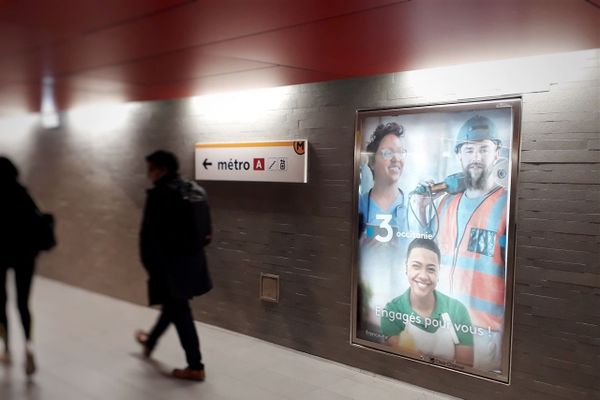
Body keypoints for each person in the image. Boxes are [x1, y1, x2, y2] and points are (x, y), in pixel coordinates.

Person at [416, 115, 507, 371]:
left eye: (483, 148)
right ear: (459, 156)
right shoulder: (446, 203)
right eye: (469, 149)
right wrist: (423, 208)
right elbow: (427, 255)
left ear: (496, 152)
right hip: (443, 323)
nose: (476, 156)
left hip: (483, 330)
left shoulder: (506, 206)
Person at [136, 150, 213, 381]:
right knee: (174, 306)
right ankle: (150, 341)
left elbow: (147, 237)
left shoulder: (160, 195)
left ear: (162, 170)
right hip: (193, 263)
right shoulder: (194, 191)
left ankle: (195, 366)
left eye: (151, 168)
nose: (148, 173)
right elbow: (208, 233)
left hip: (169, 267)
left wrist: (150, 266)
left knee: (180, 311)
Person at [380, 238, 474, 366]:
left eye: (430, 269)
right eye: (416, 266)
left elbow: (466, 367)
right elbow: (401, 360)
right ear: (406, 267)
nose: (423, 276)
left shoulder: (457, 310)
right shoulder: (392, 311)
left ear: (438, 273)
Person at [0, 156, 41, 376]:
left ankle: (6, 348)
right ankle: (29, 346)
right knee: (23, 304)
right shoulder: (24, 194)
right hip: (26, 257)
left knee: (2, 303)